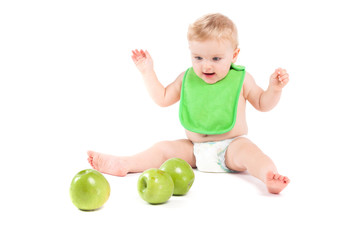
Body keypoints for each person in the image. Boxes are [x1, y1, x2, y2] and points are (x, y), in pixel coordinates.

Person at [87, 13, 290, 194]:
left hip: (231, 147)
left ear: (234, 55)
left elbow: (263, 103)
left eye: (216, 58)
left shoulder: (242, 80)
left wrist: (274, 89)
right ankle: (126, 164)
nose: (206, 65)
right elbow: (163, 98)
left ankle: (269, 176)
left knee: (251, 153)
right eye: (198, 57)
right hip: (194, 149)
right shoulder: (187, 78)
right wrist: (148, 72)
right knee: (163, 149)